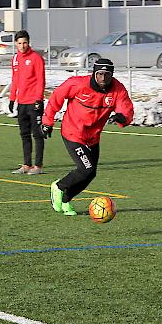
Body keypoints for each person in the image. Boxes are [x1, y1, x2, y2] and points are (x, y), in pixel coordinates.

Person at [40, 58, 134, 216]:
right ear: (94, 73)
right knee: (86, 169)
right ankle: (59, 187)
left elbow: (126, 108)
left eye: (107, 75)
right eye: (100, 74)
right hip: (73, 133)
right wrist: (47, 122)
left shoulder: (118, 89)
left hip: (93, 137)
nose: (103, 78)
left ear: (112, 75)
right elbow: (56, 97)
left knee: (90, 174)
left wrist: (122, 118)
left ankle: (66, 200)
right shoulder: (77, 84)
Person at [9, 30, 47, 175]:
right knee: (24, 134)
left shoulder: (36, 58)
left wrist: (38, 99)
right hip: (22, 102)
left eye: (24, 42)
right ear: (16, 44)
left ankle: (38, 166)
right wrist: (12, 99)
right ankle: (26, 165)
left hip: (34, 102)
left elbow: (40, 80)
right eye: (19, 43)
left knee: (38, 134)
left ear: (28, 42)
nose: (22, 46)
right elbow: (15, 80)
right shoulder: (15, 59)